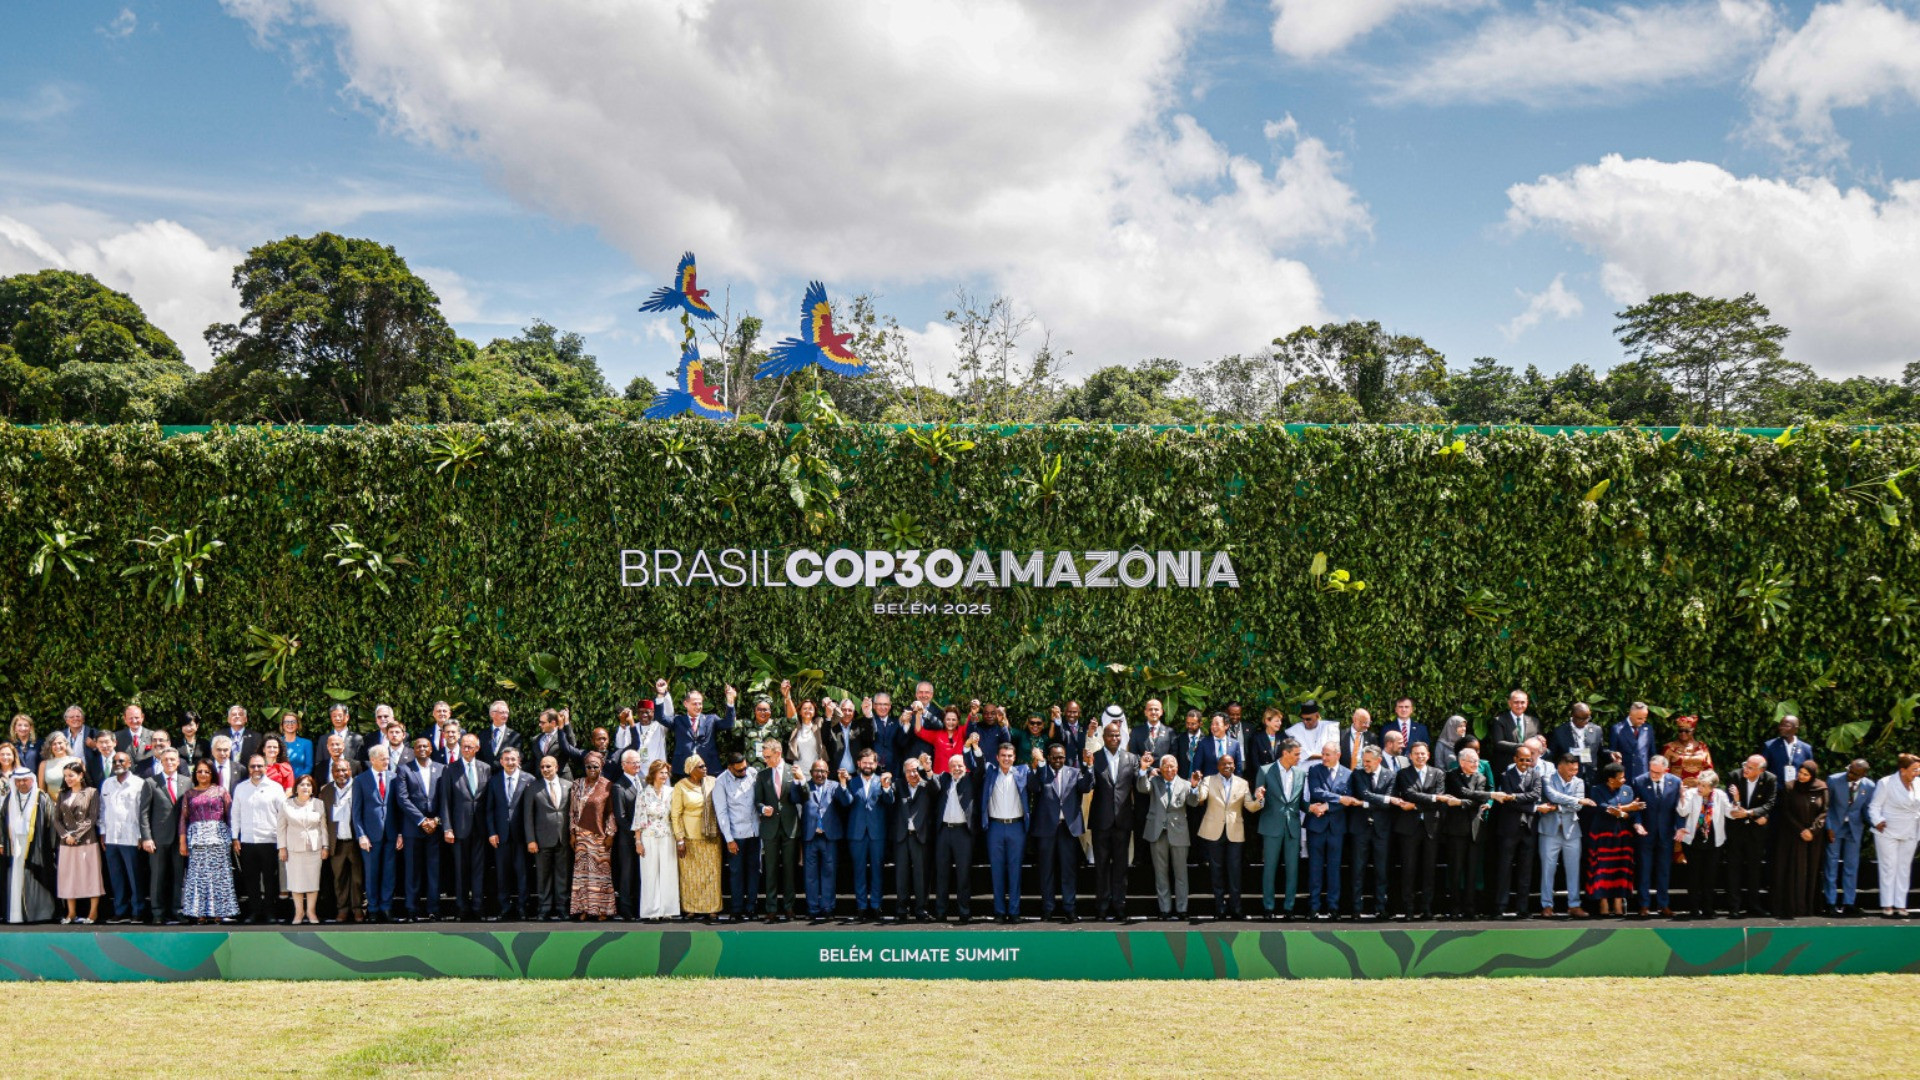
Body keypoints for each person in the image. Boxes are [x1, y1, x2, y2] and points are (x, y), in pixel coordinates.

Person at [1388, 741, 1451, 920]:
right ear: (1410, 756)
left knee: (1429, 869)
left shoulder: (1438, 773)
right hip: (1409, 828)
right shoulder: (1403, 774)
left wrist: (1416, 806)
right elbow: (1409, 794)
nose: (1420, 756)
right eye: (1416, 753)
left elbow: (1440, 799)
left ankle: (1427, 908)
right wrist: (1433, 798)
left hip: (1431, 827)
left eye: (1423, 753)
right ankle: (1408, 909)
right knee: (1408, 869)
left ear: (1428, 755)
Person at [1029, 743, 1090, 922]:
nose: (1058, 760)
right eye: (1054, 757)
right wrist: (1038, 766)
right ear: (1048, 757)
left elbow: (1086, 787)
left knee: (1068, 871)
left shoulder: (1074, 772)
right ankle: (1048, 908)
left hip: (1067, 828)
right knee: (1046, 870)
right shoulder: (1042, 772)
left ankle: (1069, 908)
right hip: (1046, 829)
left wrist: (1089, 766)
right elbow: (1034, 787)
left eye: (1061, 757)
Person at [1247, 737, 1306, 920]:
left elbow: (1301, 802)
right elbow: (1258, 800)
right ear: (1285, 753)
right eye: (1296, 754)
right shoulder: (1265, 770)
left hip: (1292, 827)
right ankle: (1268, 908)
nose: (1299, 757)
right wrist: (1259, 797)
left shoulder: (1301, 773)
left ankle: (1289, 908)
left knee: (1293, 870)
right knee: (1269, 869)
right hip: (1271, 826)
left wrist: (1313, 808)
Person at [1086, 718, 1139, 922]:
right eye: (1111, 735)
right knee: (1101, 868)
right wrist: (1088, 766)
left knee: (1121, 868)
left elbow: (1139, 786)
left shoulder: (1131, 759)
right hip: (1101, 822)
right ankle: (1101, 907)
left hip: (1123, 822)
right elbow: (1086, 786)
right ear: (1104, 737)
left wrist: (1145, 770)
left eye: (1117, 735)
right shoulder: (1095, 757)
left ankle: (1119, 906)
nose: (1115, 738)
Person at [434, 733, 490, 921]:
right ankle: (462, 908)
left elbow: (488, 800)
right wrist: (447, 828)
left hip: (481, 828)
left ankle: (478, 907)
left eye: (470, 746)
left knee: (479, 870)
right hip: (459, 828)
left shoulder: (485, 768)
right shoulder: (450, 769)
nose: (466, 749)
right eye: (463, 746)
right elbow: (445, 801)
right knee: (460, 870)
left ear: (477, 748)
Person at [1136, 754, 1198, 919]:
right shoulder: (1154, 781)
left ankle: (1182, 909)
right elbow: (1142, 788)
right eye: (1166, 766)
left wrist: (1194, 787)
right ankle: (1165, 909)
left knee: (1181, 874)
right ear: (1161, 768)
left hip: (1178, 833)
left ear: (1177, 768)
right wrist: (1143, 769)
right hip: (1158, 833)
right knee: (1160, 873)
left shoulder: (1185, 784)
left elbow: (1193, 802)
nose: (1169, 769)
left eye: (1172, 766)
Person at [975, 741, 1031, 923]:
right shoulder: (990, 771)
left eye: (1010, 756)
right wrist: (974, 747)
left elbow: (1038, 783)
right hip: (995, 827)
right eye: (1003, 756)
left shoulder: (1023, 771)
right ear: (997, 757)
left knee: (1015, 871)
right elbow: (977, 763)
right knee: (996, 870)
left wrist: (1040, 761)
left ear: (1014, 758)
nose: (1006, 759)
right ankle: (999, 911)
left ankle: (1014, 911)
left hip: (1016, 827)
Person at [95, 751, 152, 924]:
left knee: (135, 877)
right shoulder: (107, 784)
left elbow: (144, 812)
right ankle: (120, 911)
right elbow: (102, 809)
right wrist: (102, 832)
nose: (117, 763)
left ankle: (138, 911)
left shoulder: (139, 784)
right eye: (114, 761)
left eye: (121, 761)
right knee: (116, 877)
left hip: (132, 837)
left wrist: (142, 835)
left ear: (129, 763)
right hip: (111, 837)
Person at [837, 748, 891, 922]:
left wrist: (886, 788)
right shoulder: (851, 782)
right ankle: (861, 907)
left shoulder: (882, 780)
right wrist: (843, 785)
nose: (868, 765)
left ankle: (876, 906)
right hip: (856, 833)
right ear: (859, 763)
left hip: (877, 833)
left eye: (871, 763)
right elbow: (845, 802)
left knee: (877, 871)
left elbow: (890, 801)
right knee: (859, 871)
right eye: (865, 762)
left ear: (876, 764)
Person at [394, 737, 444, 922]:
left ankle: (434, 909)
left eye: (425, 746)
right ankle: (411, 910)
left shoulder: (441, 769)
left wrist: (436, 820)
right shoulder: (404, 769)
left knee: (434, 871)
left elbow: (445, 798)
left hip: (435, 829)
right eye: (418, 746)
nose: (422, 748)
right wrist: (422, 820)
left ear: (431, 749)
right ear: (413, 750)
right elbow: (403, 798)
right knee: (412, 871)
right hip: (413, 828)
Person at [1489, 745, 1542, 918]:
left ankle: (1522, 908)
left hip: (1528, 828)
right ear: (1515, 759)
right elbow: (1507, 801)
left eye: (1529, 760)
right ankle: (1500, 907)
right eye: (1522, 760)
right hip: (1509, 828)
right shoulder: (1506, 776)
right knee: (1504, 869)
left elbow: (1536, 795)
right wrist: (1531, 807)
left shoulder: (1536, 774)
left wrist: (1515, 797)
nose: (1525, 763)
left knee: (1525, 870)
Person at [351, 744, 402, 923]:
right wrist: (361, 835)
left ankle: (386, 907)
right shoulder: (360, 780)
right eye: (383, 759)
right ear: (372, 760)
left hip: (391, 834)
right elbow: (356, 811)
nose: (387, 761)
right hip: (370, 837)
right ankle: (372, 909)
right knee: (371, 873)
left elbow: (399, 808)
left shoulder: (394, 777)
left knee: (389, 873)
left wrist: (400, 833)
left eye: (387, 758)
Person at [563, 750, 617, 920]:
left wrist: (610, 834)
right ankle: (584, 908)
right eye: (588, 767)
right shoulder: (577, 784)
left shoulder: (607, 785)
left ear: (601, 767)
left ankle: (602, 910)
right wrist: (572, 833)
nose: (592, 769)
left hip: (600, 837)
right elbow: (572, 811)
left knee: (600, 875)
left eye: (595, 766)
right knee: (582, 875)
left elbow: (610, 812)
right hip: (581, 836)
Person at [232, 755, 286, 924]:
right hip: (247, 840)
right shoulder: (241, 788)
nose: (256, 769)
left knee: (270, 880)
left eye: (259, 766)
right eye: (253, 766)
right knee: (251, 880)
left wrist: (282, 840)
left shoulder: (275, 788)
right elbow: (235, 814)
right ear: (248, 768)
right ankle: (254, 912)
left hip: (270, 840)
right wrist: (235, 837)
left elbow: (283, 815)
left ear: (266, 767)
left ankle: (270, 912)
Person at [1582, 763, 1641, 917]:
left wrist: (1626, 811)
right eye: (1621, 777)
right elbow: (1604, 808)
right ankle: (1603, 903)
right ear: (1610, 779)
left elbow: (1633, 813)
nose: (1624, 780)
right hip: (1602, 835)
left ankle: (1618, 903)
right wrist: (1627, 808)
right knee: (1601, 869)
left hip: (1623, 836)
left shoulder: (1628, 790)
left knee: (1621, 869)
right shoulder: (1597, 790)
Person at [1771, 759, 1827, 919]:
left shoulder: (1822, 788)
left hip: (1813, 838)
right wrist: (1801, 830)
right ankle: (1791, 907)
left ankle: (1808, 907)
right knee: (1793, 870)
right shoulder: (1790, 787)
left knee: (1810, 870)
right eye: (1800, 773)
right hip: (1792, 835)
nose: (1801, 776)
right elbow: (1786, 811)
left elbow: (1824, 811)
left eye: (1806, 774)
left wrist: (1813, 830)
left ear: (1812, 775)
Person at [1540, 752, 1594, 917]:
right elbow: (1552, 795)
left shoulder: (1579, 782)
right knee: (1547, 869)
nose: (1573, 773)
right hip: (1549, 830)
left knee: (1573, 869)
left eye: (1576, 769)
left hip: (1572, 831)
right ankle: (1547, 905)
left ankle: (1574, 905)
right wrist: (1577, 800)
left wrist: (1558, 807)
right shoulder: (1547, 779)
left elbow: (1577, 808)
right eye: (1570, 769)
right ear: (1560, 767)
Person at [1441, 746, 1492, 919]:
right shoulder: (1452, 775)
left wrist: (1461, 803)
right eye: (1472, 761)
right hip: (1456, 830)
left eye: (1477, 761)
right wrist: (1474, 799)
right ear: (1462, 762)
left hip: (1475, 830)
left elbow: (1479, 801)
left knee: (1472, 871)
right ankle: (1454, 908)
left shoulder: (1481, 778)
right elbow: (1463, 792)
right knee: (1456, 870)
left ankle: (1470, 908)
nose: (1476, 764)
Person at [1724, 755, 1778, 917]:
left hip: (1756, 831)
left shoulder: (1770, 779)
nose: (1745, 770)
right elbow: (1728, 802)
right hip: (1736, 829)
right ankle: (1734, 907)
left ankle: (1754, 905)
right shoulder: (1734, 776)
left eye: (1750, 768)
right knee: (1734, 868)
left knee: (1755, 869)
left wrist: (1750, 813)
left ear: (1761, 771)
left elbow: (1770, 803)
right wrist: (1737, 805)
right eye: (1745, 766)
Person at [521, 754, 573, 920]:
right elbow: (528, 816)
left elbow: (573, 813)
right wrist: (531, 839)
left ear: (556, 767)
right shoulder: (532, 787)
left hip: (563, 838)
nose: (545, 769)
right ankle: (544, 909)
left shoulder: (569, 786)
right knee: (543, 876)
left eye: (548, 766)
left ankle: (562, 908)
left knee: (562, 875)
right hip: (541, 840)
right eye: (542, 767)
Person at [1343, 746, 1393, 919]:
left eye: (1368, 761)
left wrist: (1365, 803)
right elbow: (1364, 793)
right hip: (1360, 828)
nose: (1365, 764)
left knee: (1382, 870)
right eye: (1363, 761)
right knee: (1358, 869)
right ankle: (1356, 908)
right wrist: (1385, 799)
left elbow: (1387, 804)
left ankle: (1381, 907)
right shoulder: (1357, 774)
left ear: (1379, 760)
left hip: (1381, 829)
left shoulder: (1390, 775)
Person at [711, 751, 760, 923]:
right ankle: (737, 909)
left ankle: (752, 907)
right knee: (736, 872)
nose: (743, 772)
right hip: (736, 834)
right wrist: (729, 839)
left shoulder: (753, 773)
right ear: (730, 768)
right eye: (739, 770)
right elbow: (721, 812)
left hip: (754, 831)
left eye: (745, 768)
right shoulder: (720, 782)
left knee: (754, 871)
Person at [671, 755, 722, 921]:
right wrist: (679, 838)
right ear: (691, 770)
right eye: (700, 767)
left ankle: (712, 908)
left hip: (711, 836)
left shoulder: (712, 782)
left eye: (705, 765)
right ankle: (691, 908)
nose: (705, 769)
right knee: (690, 875)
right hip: (690, 837)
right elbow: (675, 814)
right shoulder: (681, 786)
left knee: (712, 874)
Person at [1868, 753, 1920, 917]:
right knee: (1888, 867)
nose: (1917, 773)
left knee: (1904, 868)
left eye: (1918, 769)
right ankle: (1887, 904)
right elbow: (1874, 806)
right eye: (1914, 769)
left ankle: (1901, 904)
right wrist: (1877, 821)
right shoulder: (1886, 782)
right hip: (1887, 830)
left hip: (1911, 830)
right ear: (1903, 770)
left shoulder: (1918, 783)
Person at [3, 768, 58, 923]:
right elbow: (2, 822)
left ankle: (39, 914)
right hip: (14, 845)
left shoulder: (41, 798)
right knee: (16, 878)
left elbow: (51, 823)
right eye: (18, 781)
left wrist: (51, 847)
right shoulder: (9, 799)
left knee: (35, 879)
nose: (22, 783)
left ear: (32, 780)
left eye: (25, 780)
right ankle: (17, 915)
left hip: (37, 846)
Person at [791, 758, 843, 923]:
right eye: (816, 771)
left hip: (829, 837)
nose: (819, 774)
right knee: (810, 876)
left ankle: (828, 908)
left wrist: (843, 784)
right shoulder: (805, 785)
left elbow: (847, 801)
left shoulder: (834, 786)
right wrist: (798, 780)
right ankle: (812, 908)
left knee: (829, 874)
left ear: (828, 772)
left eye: (823, 771)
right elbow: (794, 798)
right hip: (810, 837)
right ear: (811, 772)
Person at [1630, 755, 1682, 916]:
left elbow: (1678, 808)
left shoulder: (1676, 782)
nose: (1653, 775)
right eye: (1651, 771)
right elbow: (1635, 807)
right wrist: (1637, 823)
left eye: (1657, 773)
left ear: (1666, 770)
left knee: (1664, 870)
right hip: (1646, 832)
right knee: (1644, 869)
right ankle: (1644, 905)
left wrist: (1680, 827)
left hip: (1666, 833)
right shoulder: (1639, 781)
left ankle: (1663, 904)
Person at [485, 747, 533, 920]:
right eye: (506, 759)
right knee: (502, 874)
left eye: (513, 759)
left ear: (519, 760)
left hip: (522, 836)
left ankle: (523, 908)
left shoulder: (529, 779)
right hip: (501, 836)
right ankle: (504, 907)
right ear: (501, 762)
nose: (510, 762)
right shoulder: (494, 780)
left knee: (523, 873)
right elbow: (489, 810)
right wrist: (492, 832)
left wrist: (532, 837)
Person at [1303, 741, 1348, 920]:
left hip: (1336, 828)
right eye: (1322, 754)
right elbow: (1316, 792)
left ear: (1338, 755)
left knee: (1334, 869)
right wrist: (1340, 798)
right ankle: (1313, 907)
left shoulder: (1348, 773)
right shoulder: (1315, 770)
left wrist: (1327, 806)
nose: (1324, 757)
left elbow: (1348, 802)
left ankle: (1333, 907)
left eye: (1327, 754)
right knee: (1315, 868)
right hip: (1316, 827)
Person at [1824, 759, 1876, 916]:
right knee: (1831, 865)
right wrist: (1828, 827)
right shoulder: (1833, 780)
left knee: (1851, 866)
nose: (1849, 774)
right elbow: (1826, 806)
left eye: (1854, 773)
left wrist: (1876, 823)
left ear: (1863, 774)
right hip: (1835, 827)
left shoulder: (1869, 786)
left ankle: (1849, 903)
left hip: (1854, 828)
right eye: (1849, 770)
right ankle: (1830, 903)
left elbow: (1866, 809)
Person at [1675, 770, 1729, 918]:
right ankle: (1694, 908)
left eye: (1704, 786)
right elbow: (1682, 812)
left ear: (1712, 787)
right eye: (1699, 784)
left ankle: (1708, 908)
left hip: (1714, 841)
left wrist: (1736, 800)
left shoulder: (1720, 795)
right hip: (1693, 840)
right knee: (1694, 875)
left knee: (1710, 876)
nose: (1700, 788)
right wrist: (1682, 796)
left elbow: (1730, 813)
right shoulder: (1691, 793)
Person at [53, 762, 102, 924]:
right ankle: (71, 912)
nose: (68, 779)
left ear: (81, 775)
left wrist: (75, 835)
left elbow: (92, 818)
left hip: (86, 840)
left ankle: (93, 913)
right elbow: (56, 819)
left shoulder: (92, 792)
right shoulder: (62, 794)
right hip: (66, 842)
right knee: (68, 876)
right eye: (65, 776)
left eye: (71, 775)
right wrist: (66, 835)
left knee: (91, 875)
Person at [657, 681, 737, 779]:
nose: (698, 707)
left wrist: (730, 701)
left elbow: (728, 724)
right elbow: (660, 717)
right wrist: (661, 694)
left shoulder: (711, 719)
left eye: (700, 703)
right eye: (695, 704)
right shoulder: (678, 720)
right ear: (685, 704)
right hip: (683, 769)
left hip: (709, 768)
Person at [890, 755, 936, 922]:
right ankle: (902, 909)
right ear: (904, 773)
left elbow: (937, 788)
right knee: (901, 874)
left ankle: (921, 909)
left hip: (920, 836)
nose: (913, 774)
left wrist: (928, 770)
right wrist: (886, 785)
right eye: (909, 771)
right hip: (902, 836)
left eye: (916, 770)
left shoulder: (927, 785)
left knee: (921, 875)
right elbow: (888, 796)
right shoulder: (898, 785)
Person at [276, 773, 326, 924]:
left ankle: (311, 912)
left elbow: (323, 827)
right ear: (296, 788)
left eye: (309, 785)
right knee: (295, 883)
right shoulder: (286, 804)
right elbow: (281, 828)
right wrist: (282, 848)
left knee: (312, 882)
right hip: (294, 850)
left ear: (313, 788)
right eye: (302, 784)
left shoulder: (319, 804)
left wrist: (326, 846)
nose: (305, 787)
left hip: (314, 849)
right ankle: (299, 912)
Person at [318, 759, 363, 923]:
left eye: (344, 770)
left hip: (356, 841)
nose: (341, 773)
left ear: (350, 770)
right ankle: (342, 909)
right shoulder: (326, 791)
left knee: (358, 879)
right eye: (337, 770)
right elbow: (323, 819)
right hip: (336, 842)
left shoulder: (359, 786)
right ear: (332, 773)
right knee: (339, 879)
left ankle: (358, 909)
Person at [1549, 702, 1606, 791]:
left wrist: (1612, 754)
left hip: (1591, 778)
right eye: (1581, 719)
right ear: (1573, 716)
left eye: (1588, 718)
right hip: (1569, 780)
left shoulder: (1596, 730)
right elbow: (1552, 756)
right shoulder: (1560, 732)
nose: (1585, 721)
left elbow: (1601, 751)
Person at [1488, 690, 1538, 771]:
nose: (1519, 705)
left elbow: (1537, 740)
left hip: (1529, 768)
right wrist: (1523, 746)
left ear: (1527, 703)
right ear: (1509, 703)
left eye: (1522, 702)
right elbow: (1498, 743)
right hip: (1506, 767)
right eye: (1516, 702)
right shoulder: (1499, 720)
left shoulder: (1534, 722)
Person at [1763, 715, 1815, 789]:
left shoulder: (1806, 749)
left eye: (1786, 726)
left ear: (1796, 729)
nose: (1781, 728)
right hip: (1776, 791)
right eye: (1781, 725)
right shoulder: (1770, 746)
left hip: (1798, 791)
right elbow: (1763, 770)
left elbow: (1810, 771)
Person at [1608, 702, 1656, 779]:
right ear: (1630, 715)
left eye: (1645, 718)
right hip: (1624, 775)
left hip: (1643, 775)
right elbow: (1612, 753)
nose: (1643, 721)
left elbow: (1652, 753)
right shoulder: (1617, 729)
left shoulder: (1648, 729)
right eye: (1639, 718)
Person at [1661, 714, 1714, 785]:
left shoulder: (1702, 748)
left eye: (1687, 731)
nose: (1683, 733)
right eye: (1680, 731)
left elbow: (1709, 770)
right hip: (1677, 788)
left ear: (1693, 730)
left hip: (1699, 788)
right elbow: (1663, 771)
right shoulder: (1670, 748)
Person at [39, 732, 77, 797]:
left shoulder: (76, 761)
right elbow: (42, 790)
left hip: (73, 801)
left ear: (66, 743)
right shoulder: (43, 764)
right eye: (54, 744)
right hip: (51, 802)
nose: (57, 746)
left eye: (60, 743)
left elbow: (82, 786)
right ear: (50, 747)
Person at [8, 714, 40, 779]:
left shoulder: (39, 743)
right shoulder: (8, 744)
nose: (23, 728)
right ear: (14, 728)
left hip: (35, 780)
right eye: (19, 725)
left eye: (26, 725)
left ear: (30, 728)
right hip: (15, 780)